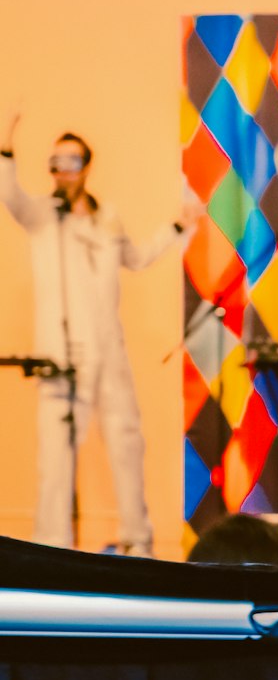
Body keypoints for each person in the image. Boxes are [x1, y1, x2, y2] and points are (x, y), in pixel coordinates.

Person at [0, 111, 188, 553]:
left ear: (85, 165)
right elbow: (10, 197)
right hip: (61, 354)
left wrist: (176, 229)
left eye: (70, 161)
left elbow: (137, 259)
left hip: (109, 348)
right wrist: (6, 147)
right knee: (56, 453)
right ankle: (52, 544)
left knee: (126, 439)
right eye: (54, 163)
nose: (61, 171)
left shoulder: (107, 218)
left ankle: (137, 541)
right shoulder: (43, 215)